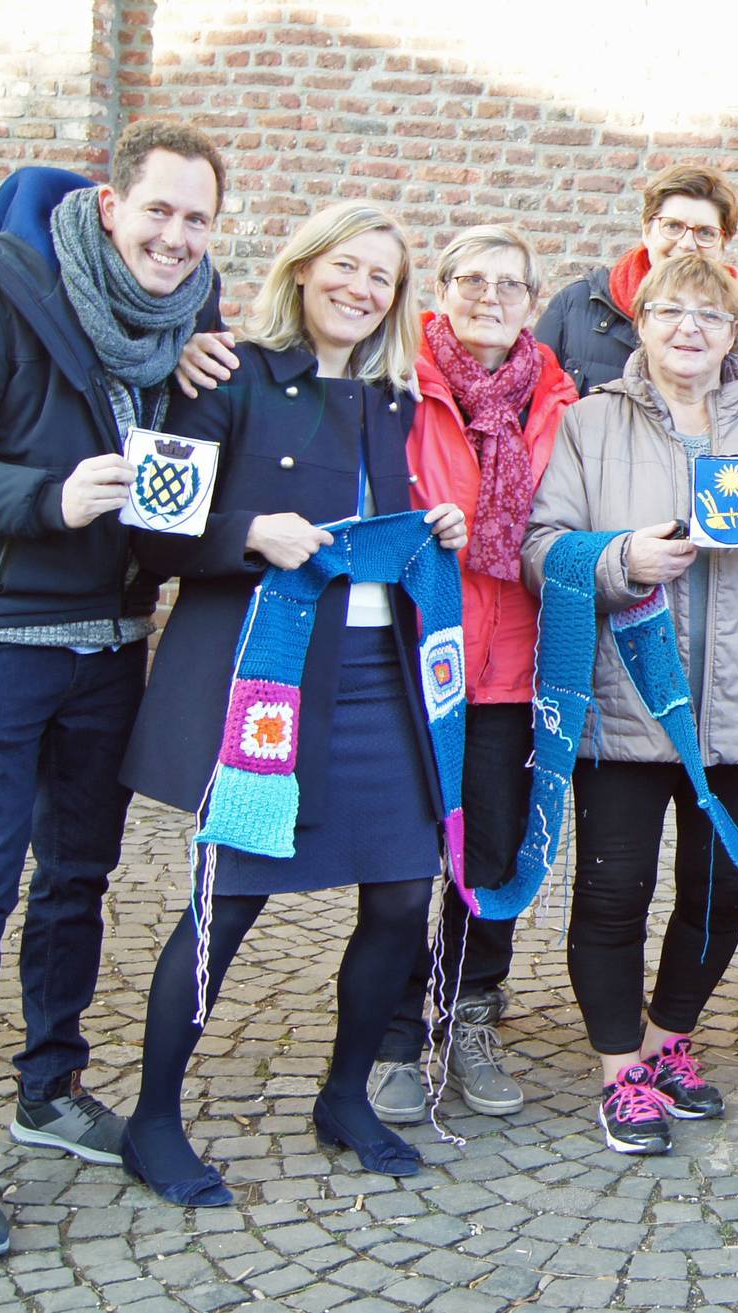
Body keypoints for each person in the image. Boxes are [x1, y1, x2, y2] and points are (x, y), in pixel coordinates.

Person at [119, 203, 469, 1205]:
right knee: (225, 905)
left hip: (381, 686)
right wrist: (247, 531)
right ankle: (151, 1118)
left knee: (404, 894)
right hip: (267, 685)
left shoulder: (400, 400)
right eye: (346, 267)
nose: (362, 288)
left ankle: (345, 1095)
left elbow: (403, 526)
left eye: (383, 277)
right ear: (305, 269)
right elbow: (151, 531)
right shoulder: (227, 376)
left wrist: (436, 523)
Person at [525, 252, 738, 1154]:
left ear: (733, 331)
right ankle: (618, 1069)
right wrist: (617, 560)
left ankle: (673, 1042)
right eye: (670, 310)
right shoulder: (591, 422)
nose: (689, 330)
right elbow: (539, 546)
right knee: (612, 892)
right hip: (625, 700)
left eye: (710, 316)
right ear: (640, 320)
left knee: (715, 896)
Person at [0, 120, 226, 1256]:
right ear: (112, 203)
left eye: (198, 220)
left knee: (79, 875)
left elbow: (175, 491)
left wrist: (195, 402)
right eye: (159, 211)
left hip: (112, 639)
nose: (175, 238)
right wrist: (47, 496)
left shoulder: (189, 319)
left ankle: (51, 1086)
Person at [364, 225, 578, 1126]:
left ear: (534, 302)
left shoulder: (563, 402)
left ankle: (472, 1013)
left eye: (511, 285)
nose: (491, 296)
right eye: (472, 280)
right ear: (440, 288)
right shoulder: (394, 383)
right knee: (407, 858)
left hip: (515, 667)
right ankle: (393, 1033)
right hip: (419, 658)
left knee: (490, 853)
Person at [533, 164, 738, 397]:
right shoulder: (574, 307)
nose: (687, 244)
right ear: (647, 229)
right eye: (673, 226)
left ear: (723, 244)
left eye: (705, 232)